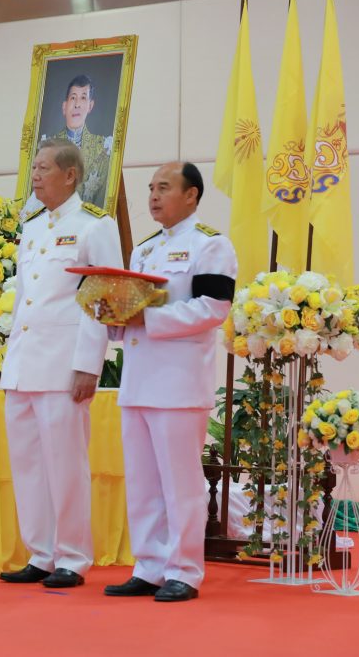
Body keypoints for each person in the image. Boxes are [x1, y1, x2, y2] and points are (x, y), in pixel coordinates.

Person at [102, 162, 237, 601]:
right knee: (142, 481)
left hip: (179, 384)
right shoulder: (143, 250)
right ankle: (149, 565)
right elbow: (132, 314)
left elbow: (213, 309)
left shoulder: (211, 245)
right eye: (151, 188)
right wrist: (114, 321)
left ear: (192, 195)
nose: (154, 196)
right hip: (139, 379)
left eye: (164, 188)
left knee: (179, 484)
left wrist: (147, 317)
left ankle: (184, 570)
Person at [0, 139, 123, 588]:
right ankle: (41, 552)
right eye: (33, 167)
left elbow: (104, 297)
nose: (34, 175)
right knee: (28, 463)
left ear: (69, 175)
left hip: (63, 364)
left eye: (44, 168)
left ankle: (72, 556)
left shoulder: (95, 226)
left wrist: (90, 363)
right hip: (24, 363)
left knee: (66, 464)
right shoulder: (32, 226)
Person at [43, 75, 112, 208]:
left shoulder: (103, 149)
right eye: (73, 98)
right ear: (64, 106)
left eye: (83, 98)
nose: (77, 105)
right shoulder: (47, 147)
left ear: (90, 106)